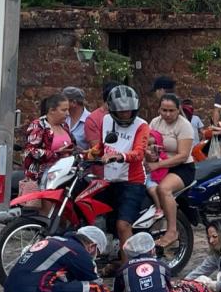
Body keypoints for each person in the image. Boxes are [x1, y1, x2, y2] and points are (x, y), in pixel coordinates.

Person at [91, 84, 149, 250]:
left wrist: (119, 156)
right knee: (103, 220)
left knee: (123, 225)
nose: (125, 114)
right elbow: (102, 146)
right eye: (121, 111)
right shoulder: (106, 120)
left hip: (132, 181)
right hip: (110, 180)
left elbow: (139, 153)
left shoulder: (141, 125)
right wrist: (89, 153)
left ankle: (127, 269)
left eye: (129, 111)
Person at [148, 93, 196, 249]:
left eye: (171, 111)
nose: (167, 114)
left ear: (178, 110)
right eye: (164, 110)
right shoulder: (155, 123)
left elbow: (183, 155)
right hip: (157, 165)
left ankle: (172, 230)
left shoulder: (184, 126)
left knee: (164, 189)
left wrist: (159, 165)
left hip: (181, 168)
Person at [21, 93, 76, 187]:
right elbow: (30, 151)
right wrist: (55, 153)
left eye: (68, 110)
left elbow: (71, 147)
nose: (68, 113)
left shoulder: (64, 126)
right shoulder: (38, 126)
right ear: (52, 110)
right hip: (41, 180)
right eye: (64, 110)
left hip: (62, 178)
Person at [62, 86, 92, 151]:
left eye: (64, 100)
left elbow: (95, 149)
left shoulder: (90, 120)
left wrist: (82, 152)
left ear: (74, 103)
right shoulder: (62, 118)